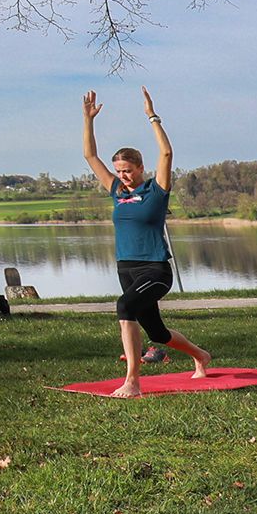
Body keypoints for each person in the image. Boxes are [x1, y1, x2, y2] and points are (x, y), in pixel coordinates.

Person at [84, 88, 211, 396]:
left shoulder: (157, 190)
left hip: (155, 269)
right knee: (156, 331)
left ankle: (132, 381)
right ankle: (201, 356)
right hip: (126, 267)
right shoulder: (117, 191)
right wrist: (87, 120)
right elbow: (90, 156)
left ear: (140, 168)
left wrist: (152, 117)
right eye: (119, 171)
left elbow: (166, 154)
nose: (123, 176)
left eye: (128, 170)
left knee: (125, 306)